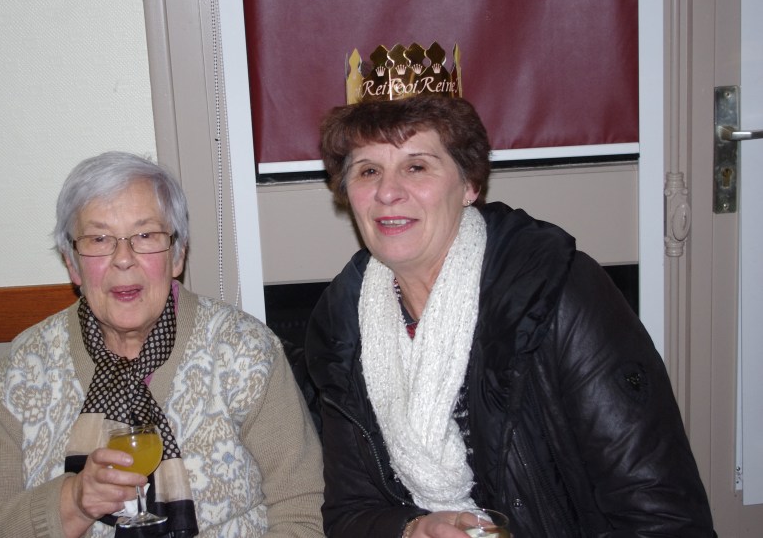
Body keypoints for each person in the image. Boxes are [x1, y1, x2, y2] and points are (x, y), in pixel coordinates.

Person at [304, 94, 716, 538]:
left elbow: (664, 517)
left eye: (416, 166)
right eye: (369, 171)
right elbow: (350, 514)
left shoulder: (555, 293)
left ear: (469, 185)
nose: (388, 192)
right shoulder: (344, 326)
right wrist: (413, 529)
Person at [0, 151, 324, 538]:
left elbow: (303, 513)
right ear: (72, 264)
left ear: (178, 254)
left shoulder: (245, 352)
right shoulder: (22, 371)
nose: (123, 259)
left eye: (145, 236)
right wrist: (73, 502)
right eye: (99, 239)